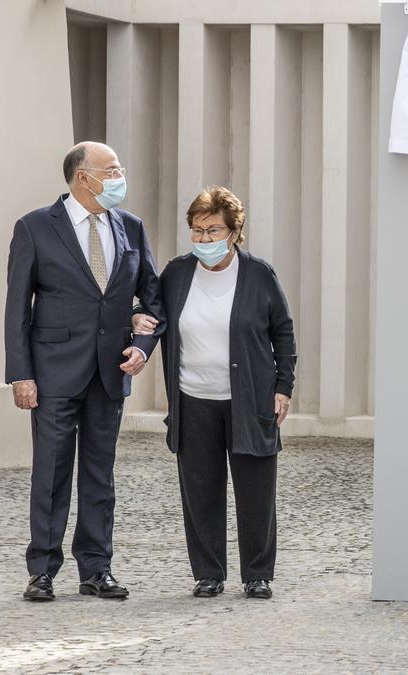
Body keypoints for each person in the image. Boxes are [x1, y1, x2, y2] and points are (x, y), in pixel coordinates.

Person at [5, 142, 165, 601]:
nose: (119, 177)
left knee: (100, 474)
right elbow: (17, 306)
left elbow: (151, 301)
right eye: (111, 169)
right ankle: (43, 570)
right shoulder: (35, 227)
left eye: (119, 168)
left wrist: (142, 345)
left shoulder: (130, 227)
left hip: (109, 371)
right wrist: (21, 373)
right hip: (52, 371)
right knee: (51, 471)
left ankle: (96, 568)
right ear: (82, 178)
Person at [132, 187, 296, 599]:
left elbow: (283, 331)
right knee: (201, 490)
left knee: (256, 491)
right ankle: (208, 573)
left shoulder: (259, 275)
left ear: (235, 231)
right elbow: (151, 310)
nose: (204, 239)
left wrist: (284, 386)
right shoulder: (176, 273)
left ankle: (257, 574)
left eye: (214, 230)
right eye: (197, 230)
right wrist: (136, 315)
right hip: (193, 400)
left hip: (250, 400)